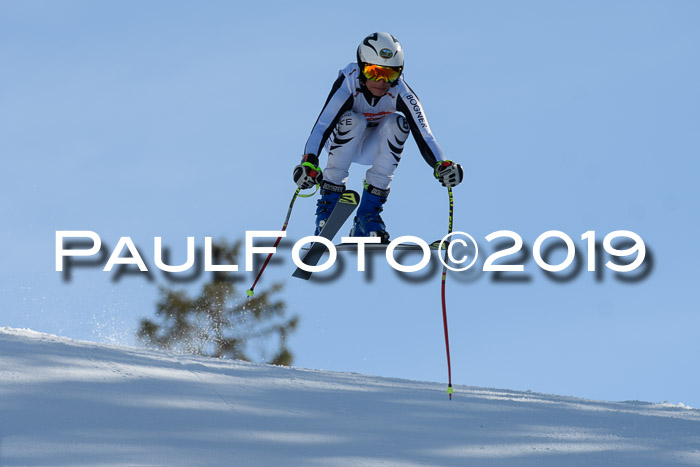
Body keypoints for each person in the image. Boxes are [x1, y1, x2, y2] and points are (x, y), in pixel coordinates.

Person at [293, 32, 463, 243]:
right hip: (340, 141)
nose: (382, 82)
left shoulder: (401, 90)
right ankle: (327, 208)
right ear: (362, 67)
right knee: (354, 120)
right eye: (374, 72)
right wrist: (309, 161)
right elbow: (321, 127)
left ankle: (367, 216)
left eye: (390, 74)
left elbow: (425, 134)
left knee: (398, 123)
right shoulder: (349, 82)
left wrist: (441, 164)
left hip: (371, 148)